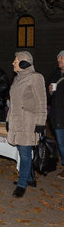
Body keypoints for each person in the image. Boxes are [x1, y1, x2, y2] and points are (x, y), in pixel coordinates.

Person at [7, 51, 47, 198]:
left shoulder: (36, 78)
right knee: (23, 152)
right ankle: (30, 178)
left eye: (15, 60)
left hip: (28, 122)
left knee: (24, 154)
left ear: (24, 63)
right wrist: (7, 120)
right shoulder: (17, 79)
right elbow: (13, 104)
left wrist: (41, 123)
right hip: (16, 121)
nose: (13, 63)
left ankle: (22, 184)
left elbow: (41, 102)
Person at [47, 50, 64, 179]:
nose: (59, 61)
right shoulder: (55, 74)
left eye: (62, 59)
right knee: (61, 143)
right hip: (58, 116)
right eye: (59, 59)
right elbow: (48, 95)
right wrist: (50, 92)